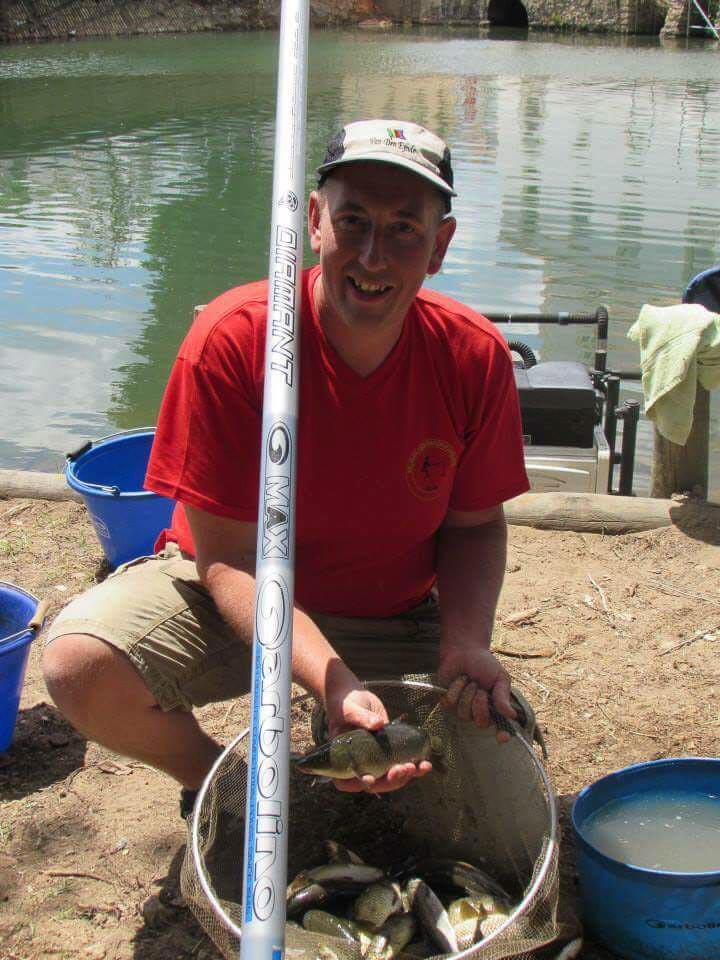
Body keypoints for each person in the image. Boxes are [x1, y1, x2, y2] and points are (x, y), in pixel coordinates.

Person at [42, 119, 530, 814]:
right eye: (353, 219)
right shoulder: (234, 340)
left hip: (393, 613)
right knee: (79, 667)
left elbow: (476, 527)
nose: (372, 255)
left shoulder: (473, 356)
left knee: (470, 794)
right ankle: (222, 785)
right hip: (228, 599)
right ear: (313, 221)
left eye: (404, 230)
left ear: (441, 245)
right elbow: (229, 561)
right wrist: (327, 678)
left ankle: (355, 728)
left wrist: (463, 643)